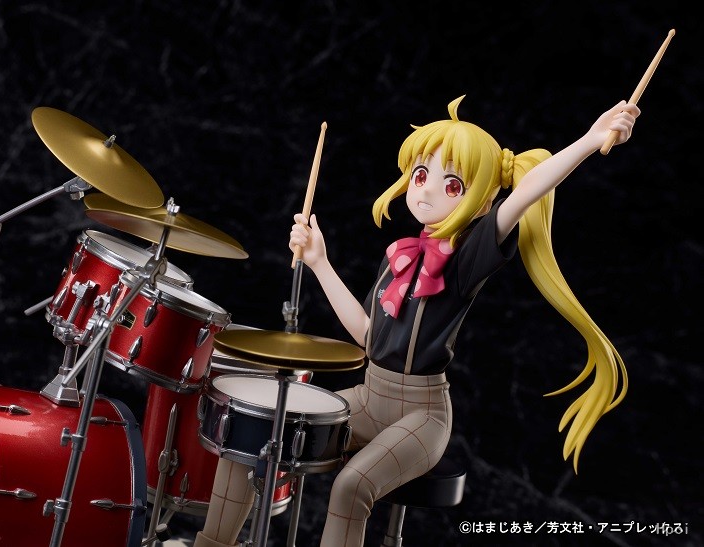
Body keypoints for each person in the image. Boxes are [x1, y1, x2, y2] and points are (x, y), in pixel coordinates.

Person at [193, 95, 638, 547]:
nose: (424, 191)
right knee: (257, 432)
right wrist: (319, 262)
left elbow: (526, 193)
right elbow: (368, 334)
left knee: (351, 487)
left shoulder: (467, 258)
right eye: (421, 175)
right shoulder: (401, 258)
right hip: (370, 396)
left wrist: (590, 140)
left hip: (422, 414)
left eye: (451, 185)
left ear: (483, 201)